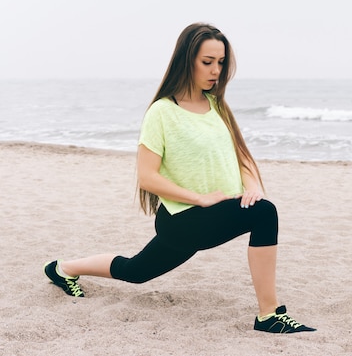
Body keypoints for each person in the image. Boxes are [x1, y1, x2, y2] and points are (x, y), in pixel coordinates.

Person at [44, 23, 315, 334]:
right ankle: (269, 316)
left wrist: (252, 188)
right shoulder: (161, 112)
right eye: (207, 62)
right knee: (264, 214)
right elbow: (147, 177)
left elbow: (242, 155)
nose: (216, 70)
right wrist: (199, 198)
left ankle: (63, 268)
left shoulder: (216, 105)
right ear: (187, 60)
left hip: (213, 213)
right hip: (182, 219)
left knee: (135, 271)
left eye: (221, 62)